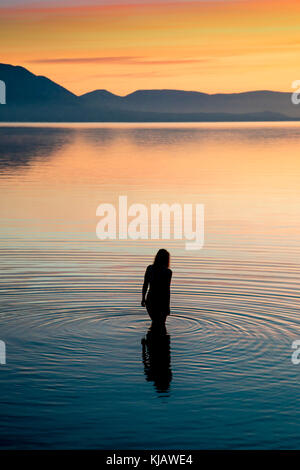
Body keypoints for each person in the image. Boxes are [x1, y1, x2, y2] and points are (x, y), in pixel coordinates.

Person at [141, 249, 172, 324]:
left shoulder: (150, 269)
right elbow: (166, 291)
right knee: (161, 325)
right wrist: (167, 307)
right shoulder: (168, 272)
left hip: (150, 300)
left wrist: (143, 299)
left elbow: (145, 285)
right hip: (161, 302)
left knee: (155, 322)